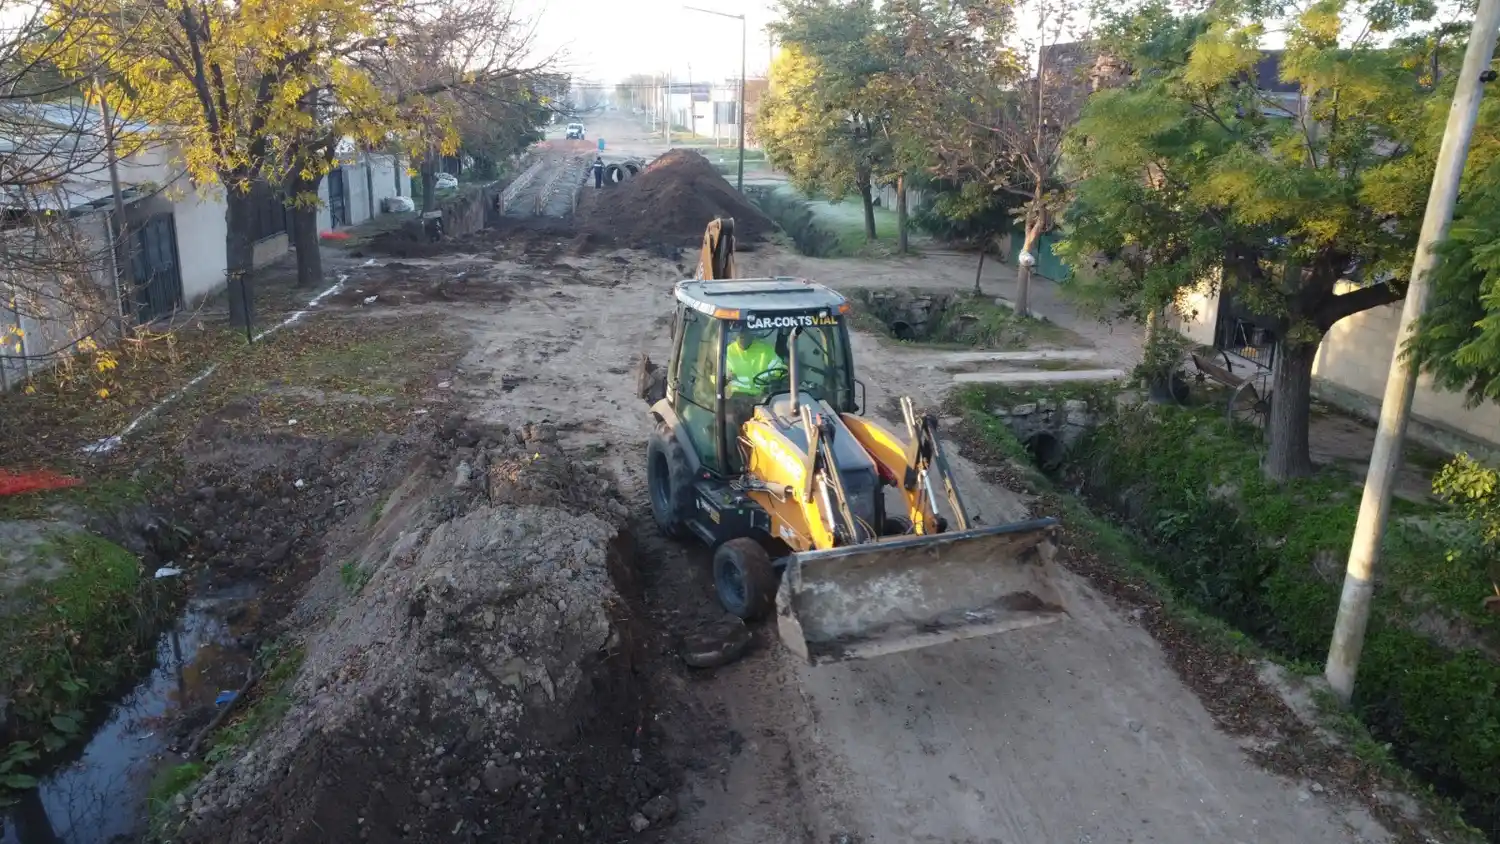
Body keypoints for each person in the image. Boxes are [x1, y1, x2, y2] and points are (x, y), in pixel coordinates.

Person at [725, 327, 785, 398]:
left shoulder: (765, 350)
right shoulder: (726, 352)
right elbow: (715, 377)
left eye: (746, 332)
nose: (742, 335)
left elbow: (780, 369)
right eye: (740, 333)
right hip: (737, 398)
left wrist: (772, 379)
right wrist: (726, 377)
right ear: (735, 335)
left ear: (752, 334)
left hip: (762, 398)